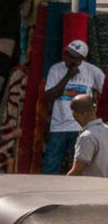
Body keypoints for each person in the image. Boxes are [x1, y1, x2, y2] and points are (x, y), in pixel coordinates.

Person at [42, 39, 103, 175]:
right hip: (58, 127)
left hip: (81, 128)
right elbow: (49, 96)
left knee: (80, 167)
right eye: (67, 54)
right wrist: (68, 76)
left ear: (81, 59)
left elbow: (104, 92)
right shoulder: (56, 69)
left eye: (72, 57)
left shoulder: (93, 71)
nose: (67, 58)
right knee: (51, 167)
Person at [67, 94, 108, 178]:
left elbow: (76, 171)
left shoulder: (86, 137)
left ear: (75, 115)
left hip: (92, 188)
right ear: (95, 108)